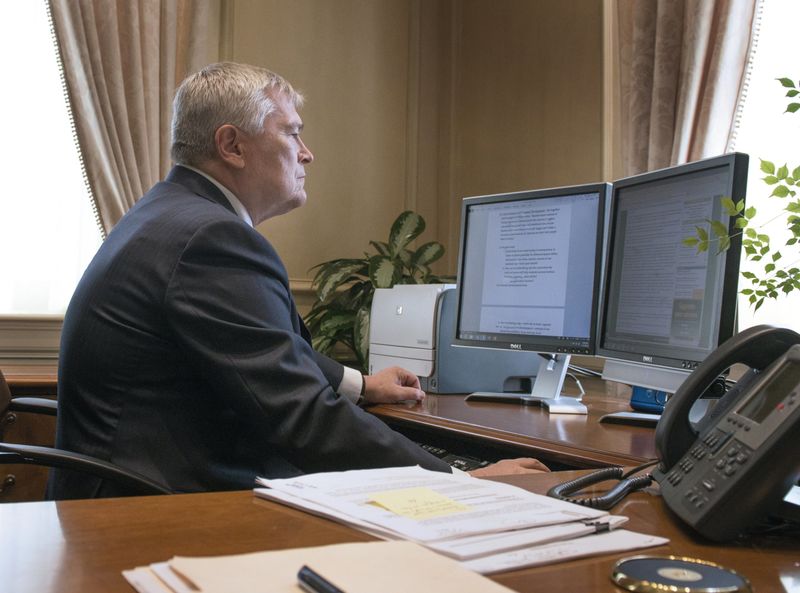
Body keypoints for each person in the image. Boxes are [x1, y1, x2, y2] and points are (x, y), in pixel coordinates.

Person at [49, 62, 548, 499]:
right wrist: (463, 483)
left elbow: (259, 349)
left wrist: (358, 383)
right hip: (155, 506)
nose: (307, 153)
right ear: (232, 145)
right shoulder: (210, 238)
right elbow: (301, 418)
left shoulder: (171, 213)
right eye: (291, 133)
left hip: (129, 484)